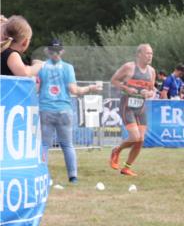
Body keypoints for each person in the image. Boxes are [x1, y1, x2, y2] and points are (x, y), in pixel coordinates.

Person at [38, 39, 102, 183]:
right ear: (62, 51)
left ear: (48, 51)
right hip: (64, 110)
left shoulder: (41, 67)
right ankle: (73, 177)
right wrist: (91, 87)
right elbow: (75, 90)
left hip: (46, 109)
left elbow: (35, 89)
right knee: (67, 145)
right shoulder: (67, 68)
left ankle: (42, 177)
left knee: (44, 145)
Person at [109, 44, 156, 177]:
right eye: (147, 53)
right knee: (135, 137)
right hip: (127, 106)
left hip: (141, 107)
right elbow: (114, 80)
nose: (150, 56)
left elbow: (152, 90)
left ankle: (127, 168)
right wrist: (126, 88)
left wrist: (149, 93)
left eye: (151, 53)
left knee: (140, 140)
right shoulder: (129, 67)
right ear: (139, 54)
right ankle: (116, 150)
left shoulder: (151, 71)